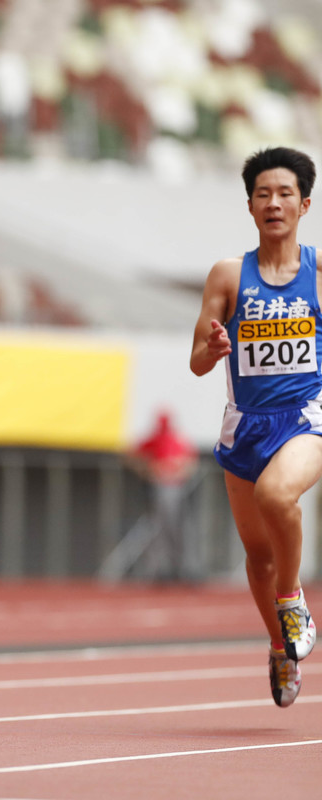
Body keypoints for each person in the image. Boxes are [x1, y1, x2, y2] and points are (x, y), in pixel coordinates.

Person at [190, 146, 320, 709]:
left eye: (285, 193)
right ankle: (277, 643)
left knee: (278, 494)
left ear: (304, 204)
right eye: (264, 194)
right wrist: (215, 347)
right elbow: (196, 358)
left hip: (308, 416)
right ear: (249, 206)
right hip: (245, 427)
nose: (274, 203)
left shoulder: (319, 271)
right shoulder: (227, 274)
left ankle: (292, 600)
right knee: (258, 556)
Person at [128, 410, 199, 581]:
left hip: (176, 487)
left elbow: (190, 462)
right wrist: (149, 470)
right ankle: (161, 569)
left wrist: (177, 471)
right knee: (161, 528)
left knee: (178, 529)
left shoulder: (176, 439)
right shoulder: (155, 439)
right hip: (161, 487)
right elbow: (132, 455)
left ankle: (181, 568)